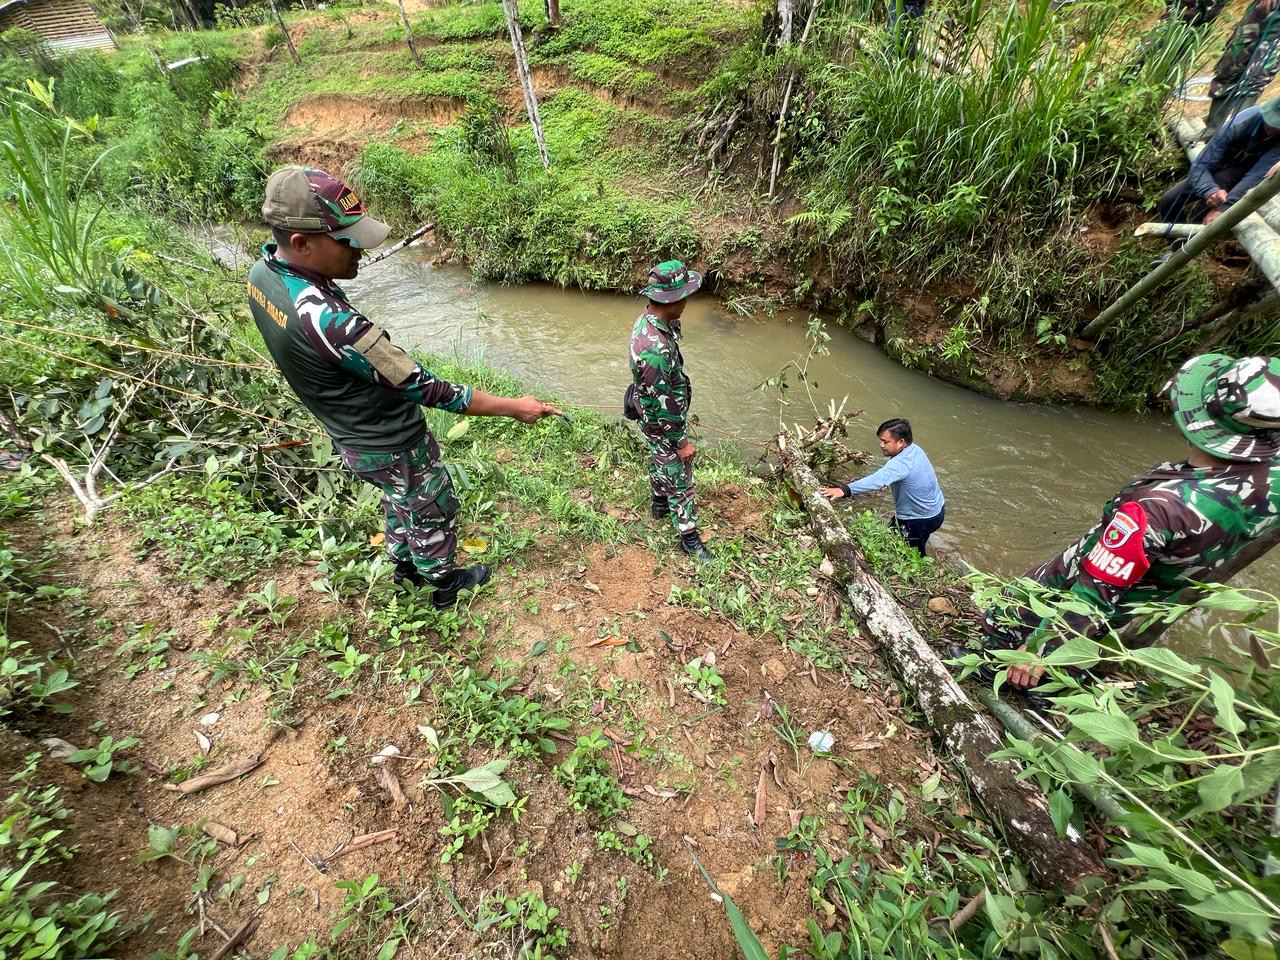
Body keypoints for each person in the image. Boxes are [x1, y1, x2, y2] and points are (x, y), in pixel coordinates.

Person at [246, 166, 561, 607]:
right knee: (431, 505)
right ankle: (443, 584)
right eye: (348, 241)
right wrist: (515, 406)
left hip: (349, 432)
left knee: (400, 497)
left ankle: (405, 567)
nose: (361, 251)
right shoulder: (334, 324)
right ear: (302, 243)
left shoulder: (264, 274)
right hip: (389, 439)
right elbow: (427, 388)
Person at [978, 354, 1280, 691]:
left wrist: (1039, 648)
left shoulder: (1161, 508)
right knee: (1102, 627)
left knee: (1014, 607)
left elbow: (1091, 596)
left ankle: (993, 669)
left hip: (1097, 576)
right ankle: (1054, 691)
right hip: (1158, 590)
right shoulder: (1273, 477)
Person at [627, 260, 711, 562]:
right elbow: (665, 408)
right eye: (684, 296)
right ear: (672, 300)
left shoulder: (648, 320)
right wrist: (681, 442)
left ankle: (659, 503)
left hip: (650, 412)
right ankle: (689, 539)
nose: (687, 302)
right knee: (680, 475)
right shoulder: (656, 349)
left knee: (659, 457)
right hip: (661, 420)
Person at [821, 418, 946, 556]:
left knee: (911, 555)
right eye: (881, 441)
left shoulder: (901, 463)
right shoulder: (915, 449)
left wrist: (845, 490)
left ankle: (920, 567)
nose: (881, 445)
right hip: (937, 509)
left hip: (919, 519)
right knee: (891, 538)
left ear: (901, 442)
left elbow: (877, 480)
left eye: (886, 442)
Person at [1157, 99, 1280, 227]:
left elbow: (1255, 176)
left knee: (1220, 184)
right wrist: (1209, 190)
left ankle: (1191, 234)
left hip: (1248, 170)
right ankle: (1175, 235)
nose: (1271, 127)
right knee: (1169, 200)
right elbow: (1201, 164)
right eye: (1269, 121)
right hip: (1221, 163)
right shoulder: (1239, 124)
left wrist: (1222, 208)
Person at [1201, 0, 1280, 139]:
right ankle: (1212, 128)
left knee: (1256, 77)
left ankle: (1235, 134)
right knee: (1231, 64)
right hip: (1262, 9)